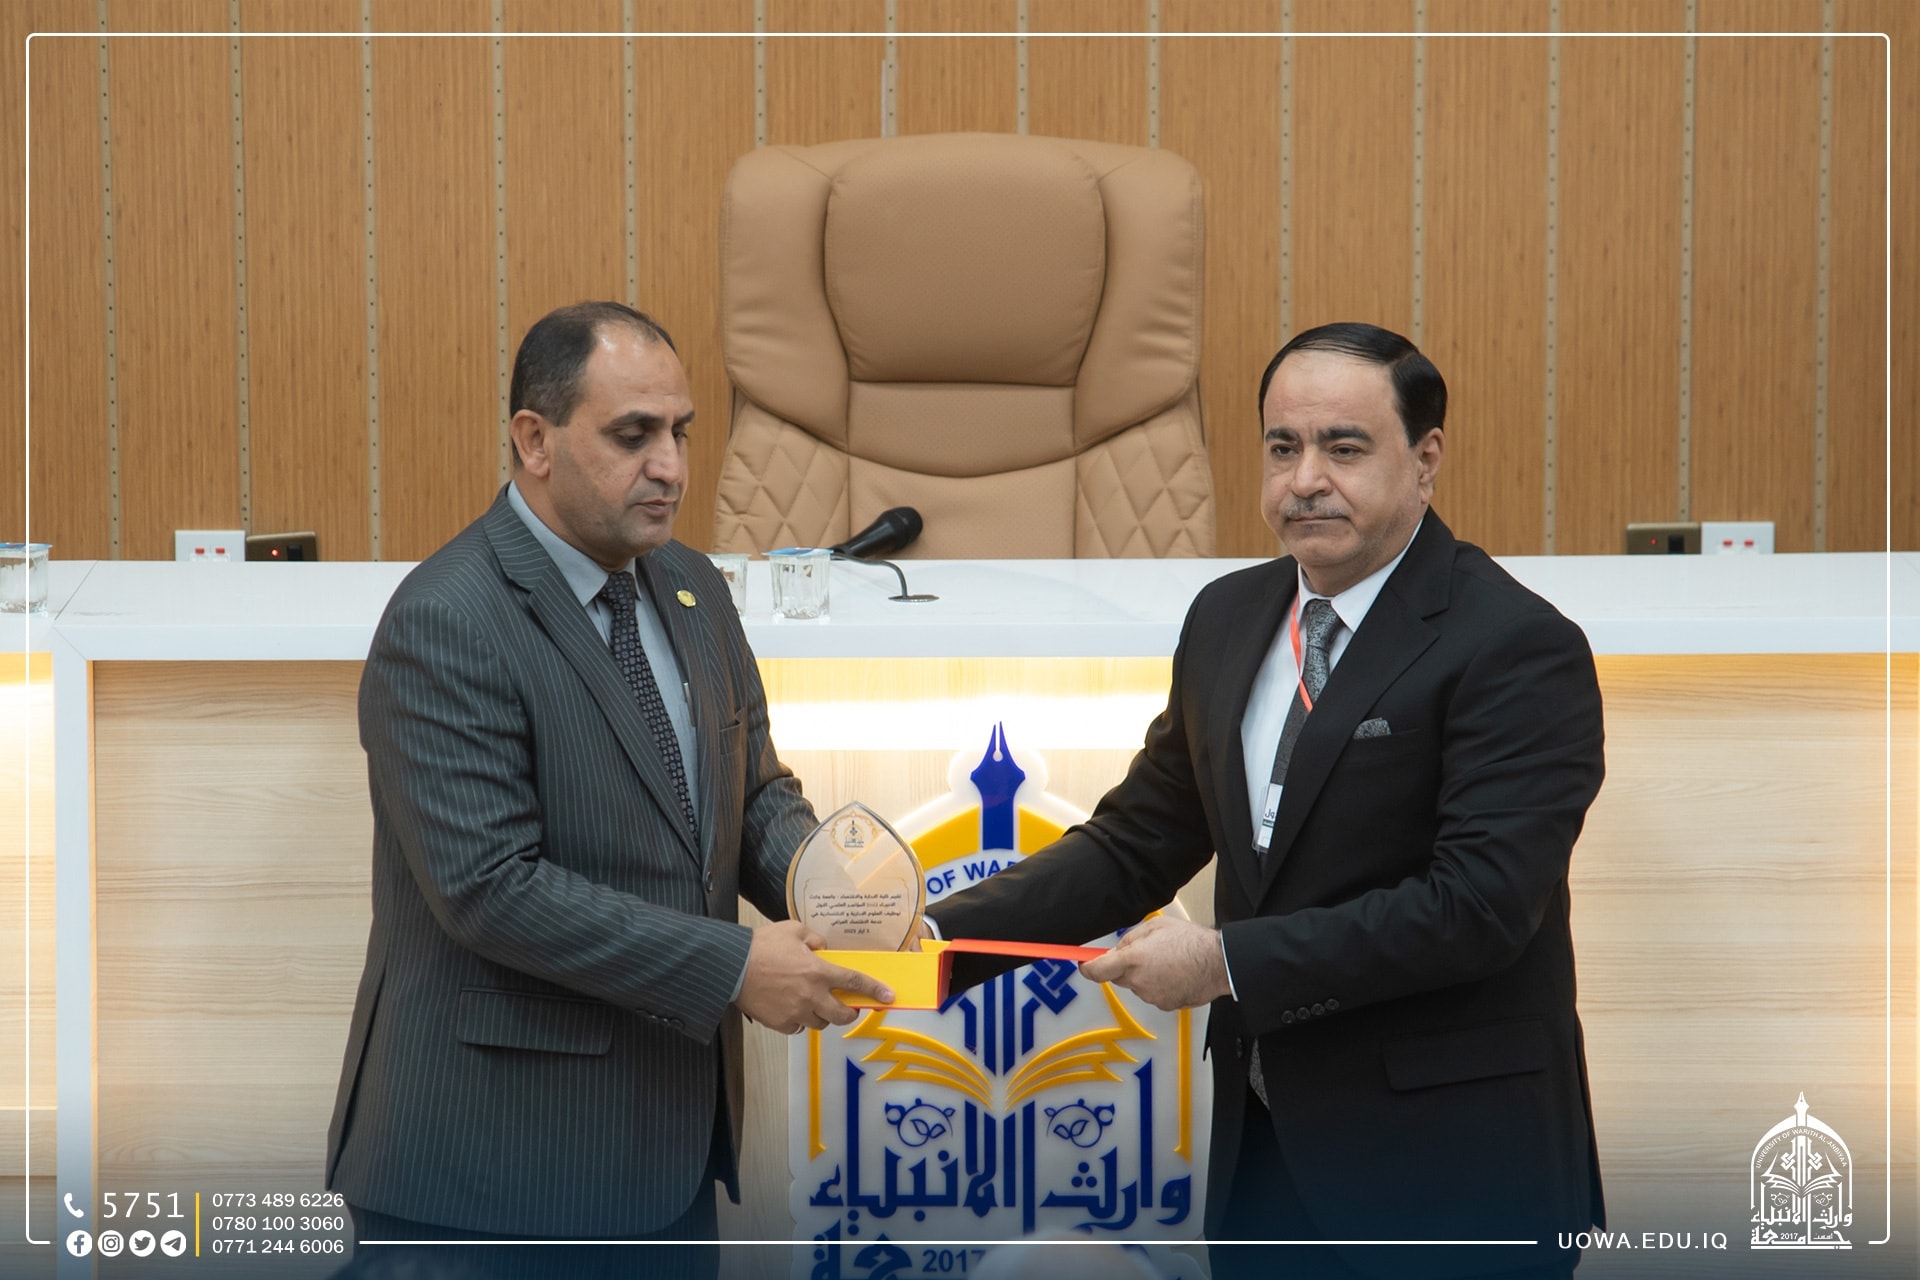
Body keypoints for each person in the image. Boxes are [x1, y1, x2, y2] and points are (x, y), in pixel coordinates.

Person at [924, 323, 1606, 1280]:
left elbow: (1477, 910)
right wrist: (935, 938)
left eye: (1344, 448)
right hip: (1268, 1156)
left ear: (1426, 460)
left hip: (1452, 1165)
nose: (1305, 480)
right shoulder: (1229, 617)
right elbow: (1138, 842)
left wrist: (1224, 963)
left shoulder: (1514, 645)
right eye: (1283, 448)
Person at [325, 301, 890, 1277]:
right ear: (534, 441)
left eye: (680, 432)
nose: (670, 466)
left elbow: (750, 790)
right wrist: (734, 967)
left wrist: (843, 893)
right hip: (485, 1180)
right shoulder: (447, 617)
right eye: (633, 435)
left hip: (663, 1162)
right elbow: (492, 889)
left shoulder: (693, 587)